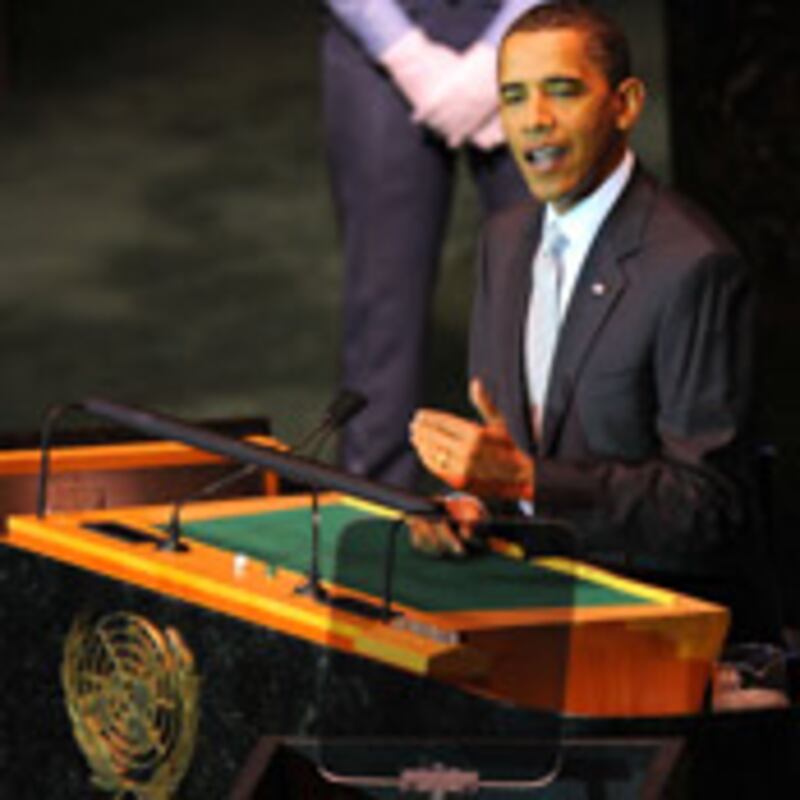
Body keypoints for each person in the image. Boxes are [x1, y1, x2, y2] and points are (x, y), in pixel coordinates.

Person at [409, 3, 780, 641]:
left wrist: (528, 481)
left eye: (562, 91)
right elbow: (512, 448)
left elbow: (708, 508)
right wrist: (470, 504)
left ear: (625, 105)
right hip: (526, 609)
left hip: (652, 629)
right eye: (514, 97)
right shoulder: (504, 240)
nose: (534, 120)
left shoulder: (694, 266)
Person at [322, 0, 546, 490]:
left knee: (551, 294)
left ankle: (551, 503)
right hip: (381, 37)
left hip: (537, 32)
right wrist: (408, 57)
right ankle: (376, 510)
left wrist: (495, 62)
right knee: (383, 312)